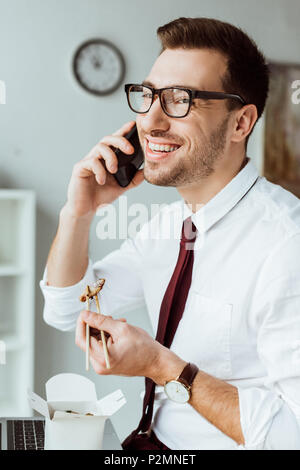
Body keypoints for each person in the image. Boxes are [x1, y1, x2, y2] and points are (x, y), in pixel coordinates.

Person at [40, 17, 300, 450]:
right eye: (148, 96)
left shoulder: (286, 244)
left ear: (241, 123)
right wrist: (79, 212)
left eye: (181, 100)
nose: (151, 121)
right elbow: (65, 310)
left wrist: (164, 367)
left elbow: (294, 434)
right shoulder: (167, 228)